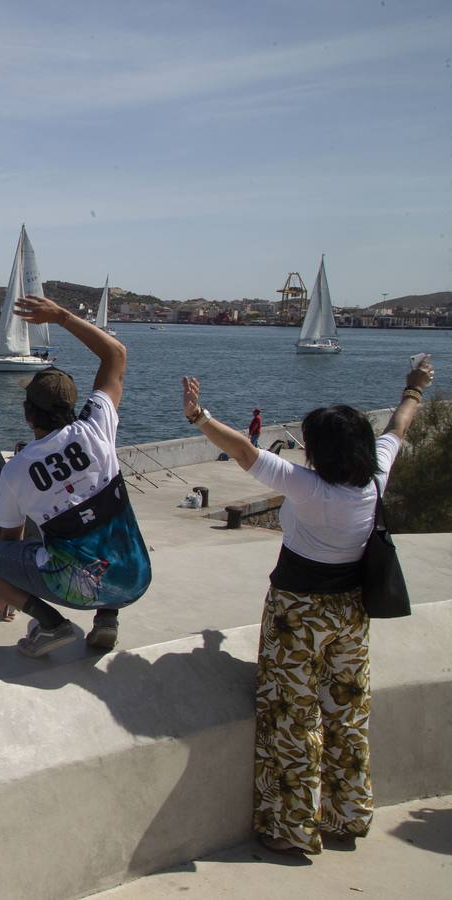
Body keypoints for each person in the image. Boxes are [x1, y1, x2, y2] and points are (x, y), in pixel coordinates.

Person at [181, 356, 435, 854]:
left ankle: (292, 828)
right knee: (348, 712)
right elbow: (399, 426)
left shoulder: (306, 486)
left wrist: (198, 416)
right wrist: (414, 387)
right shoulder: (375, 475)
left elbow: (243, 451)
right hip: (351, 611)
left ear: (319, 453)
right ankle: (350, 814)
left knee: (292, 717)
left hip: (297, 613)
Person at [0, 295, 152, 657]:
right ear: (73, 405)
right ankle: (107, 618)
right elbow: (115, 355)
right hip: (135, 575)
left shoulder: (18, 470)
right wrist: (62, 316)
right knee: (103, 525)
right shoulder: (98, 427)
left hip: (74, 589)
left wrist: (8, 591)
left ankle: (51, 624)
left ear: (27, 413)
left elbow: (8, 540)